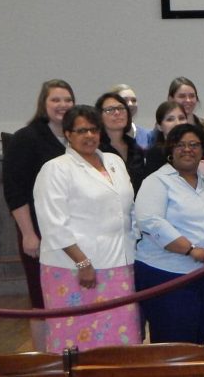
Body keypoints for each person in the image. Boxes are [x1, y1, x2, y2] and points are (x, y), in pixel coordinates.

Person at [33, 105, 140, 352]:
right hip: (74, 268)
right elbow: (53, 223)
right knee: (76, 339)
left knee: (121, 336)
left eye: (93, 129)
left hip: (120, 262)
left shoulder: (114, 161)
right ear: (68, 134)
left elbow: (128, 207)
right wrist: (82, 263)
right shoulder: (55, 169)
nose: (89, 135)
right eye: (81, 130)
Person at [134, 124, 204, 344]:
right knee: (177, 345)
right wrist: (191, 250)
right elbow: (151, 222)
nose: (187, 150)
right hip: (167, 275)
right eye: (180, 145)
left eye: (194, 145)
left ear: (203, 150)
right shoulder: (156, 181)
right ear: (170, 150)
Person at [3, 79, 75, 350]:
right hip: (39, 232)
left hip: (70, 232)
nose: (62, 105)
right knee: (41, 299)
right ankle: (44, 359)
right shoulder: (26, 137)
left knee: (68, 296)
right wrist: (28, 234)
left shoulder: (75, 136)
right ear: (43, 103)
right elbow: (15, 190)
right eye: (56, 100)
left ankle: (67, 351)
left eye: (67, 99)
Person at [95, 92, 145, 192]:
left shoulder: (135, 147)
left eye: (121, 108)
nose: (117, 113)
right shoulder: (95, 149)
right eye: (109, 110)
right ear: (99, 116)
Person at [140, 101, 189, 182]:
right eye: (170, 119)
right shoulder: (155, 154)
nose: (177, 123)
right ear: (159, 126)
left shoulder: (195, 150)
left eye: (181, 118)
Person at [110, 84, 153, 149]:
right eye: (124, 100)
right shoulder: (105, 135)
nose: (130, 104)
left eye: (134, 100)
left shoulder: (147, 135)